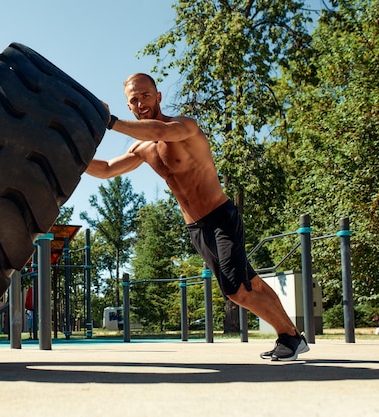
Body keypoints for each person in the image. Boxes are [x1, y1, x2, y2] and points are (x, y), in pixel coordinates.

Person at [86, 73, 309, 361]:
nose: (140, 102)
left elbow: (160, 132)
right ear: (129, 106)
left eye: (145, 95)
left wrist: (111, 122)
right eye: (134, 99)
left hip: (221, 217)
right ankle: (292, 337)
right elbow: (106, 169)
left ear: (158, 96)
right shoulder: (141, 148)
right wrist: (70, 158)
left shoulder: (184, 126)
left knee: (236, 291)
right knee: (250, 283)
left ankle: (289, 338)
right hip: (196, 228)